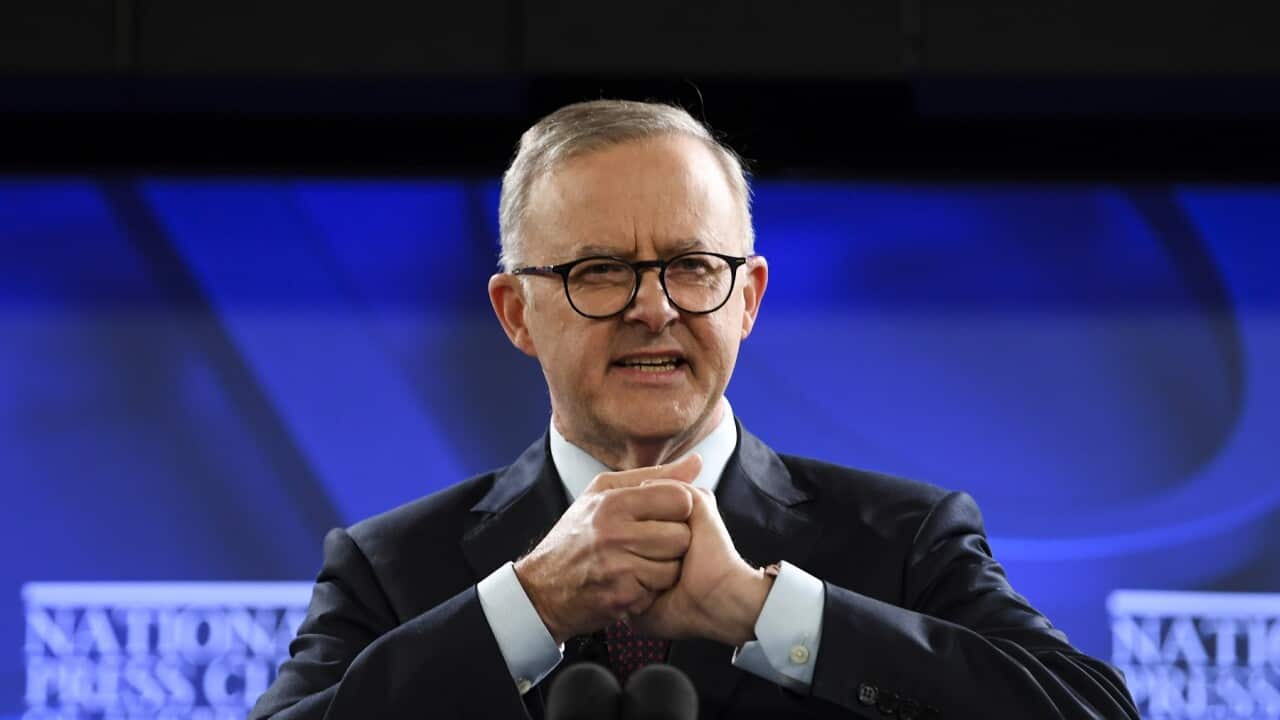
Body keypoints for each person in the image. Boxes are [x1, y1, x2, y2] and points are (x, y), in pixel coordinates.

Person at [250, 100, 1138, 720]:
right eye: (598, 270)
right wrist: (532, 605)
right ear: (516, 313)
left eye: (692, 266)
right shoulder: (394, 568)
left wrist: (766, 613)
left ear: (747, 299)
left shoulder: (904, 542)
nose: (654, 307)